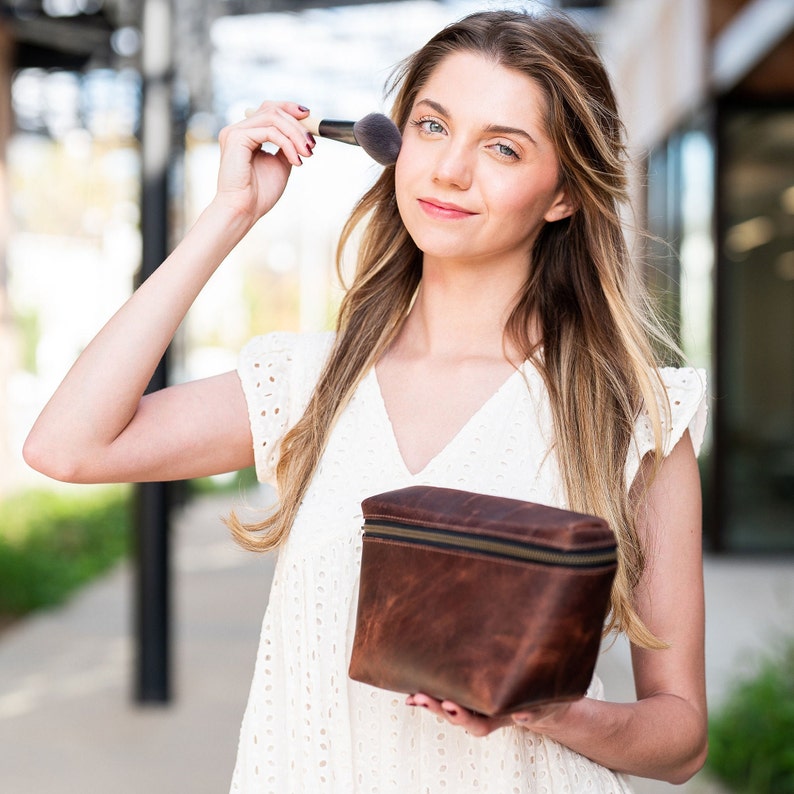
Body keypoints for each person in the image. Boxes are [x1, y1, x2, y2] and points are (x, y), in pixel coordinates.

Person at [24, 8, 709, 793]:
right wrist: (231, 213)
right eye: (431, 126)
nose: (450, 170)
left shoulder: (629, 414)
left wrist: (547, 709)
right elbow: (67, 446)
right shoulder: (312, 383)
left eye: (503, 147)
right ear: (394, 145)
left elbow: (681, 737)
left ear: (561, 195)